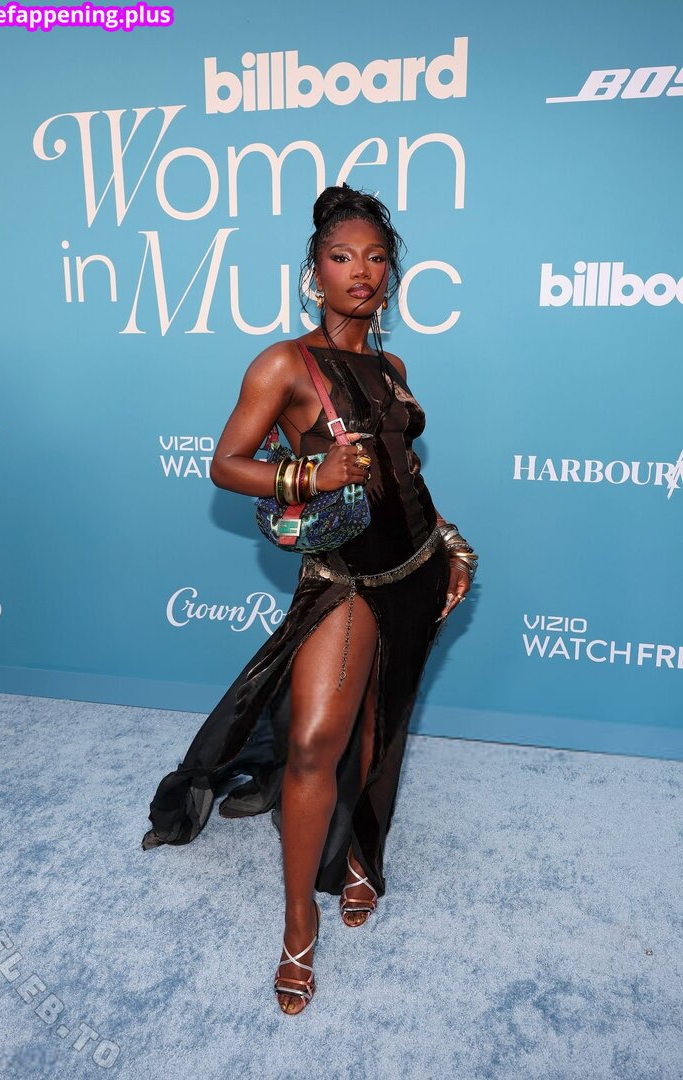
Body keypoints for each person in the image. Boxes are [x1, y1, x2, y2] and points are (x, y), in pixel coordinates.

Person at [141, 184, 478, 1016]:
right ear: (313, 272)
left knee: (380, 725)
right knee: (316, 741)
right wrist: (308, 473)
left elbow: (402, 476)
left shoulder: (393, 369)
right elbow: (226, 464)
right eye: (341, 257)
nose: (361, 271)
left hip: (415, 568)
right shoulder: (284, 364)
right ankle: (299, 921)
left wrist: (451, 543)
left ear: (391, 274)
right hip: (343, 578)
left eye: (377, 257)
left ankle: (360, 852)